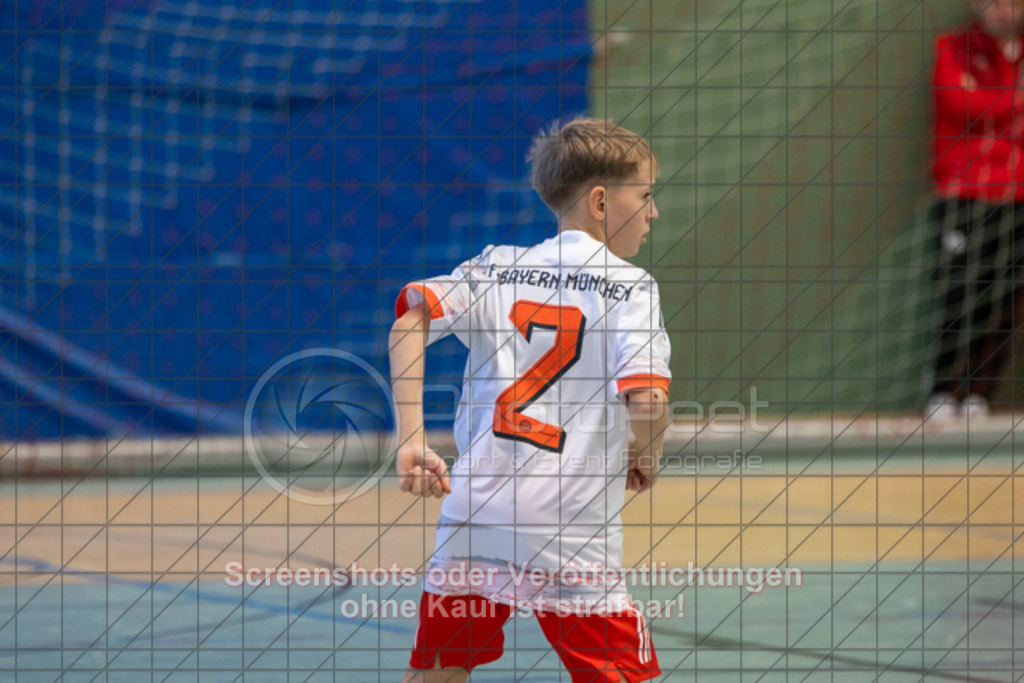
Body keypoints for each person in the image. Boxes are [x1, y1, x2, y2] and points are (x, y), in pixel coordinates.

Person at [389, 117, 672, 682]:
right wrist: (648, 452)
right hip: (569, 526)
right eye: (644, 196)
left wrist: (413, 438)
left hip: (476, 516)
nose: (652, 212)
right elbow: (644, 397)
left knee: (439, 670)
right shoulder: (633, 288)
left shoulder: (497, 266)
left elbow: (411, 317)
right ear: (599, 201)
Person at [927, 0, 1024, 420]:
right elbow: (965, 105)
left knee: (1006, 297)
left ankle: (980, 394)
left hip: (1018, 195)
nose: (1002, 9)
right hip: (965, 192)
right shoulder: (955, 47)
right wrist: (1013, 104)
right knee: (958, 291)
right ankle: (942, 390)